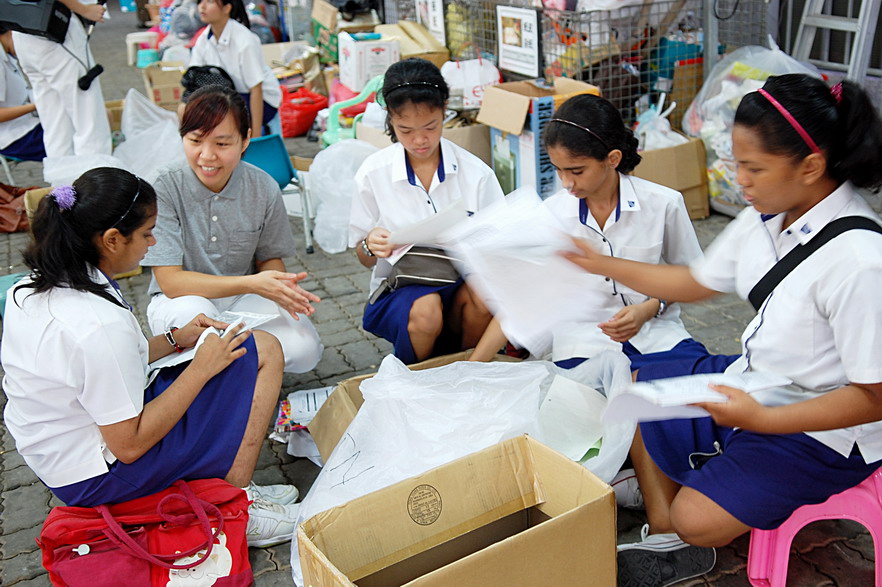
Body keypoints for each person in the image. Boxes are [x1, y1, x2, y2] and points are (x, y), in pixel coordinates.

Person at [564, 74, 882, 586]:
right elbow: (694, 280)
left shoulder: (862, 261)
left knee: (699, 519)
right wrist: (604, 263)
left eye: (753, 167)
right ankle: (665, 521)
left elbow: (873, 397)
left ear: (811, 166)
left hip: (824, 431)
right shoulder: (770, 214)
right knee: (638, 383)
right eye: (736, 163)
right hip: (758, 382)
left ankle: (681, 508)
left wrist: (763, 419)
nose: (739, 180)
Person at [1, 167, 302, 547]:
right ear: (112, 239)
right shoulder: (96, 324)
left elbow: (109, 362)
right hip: (97, 474)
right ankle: (233, 507)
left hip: (62, 450)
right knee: (256, 353)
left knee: (255, 347)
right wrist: (201, 368)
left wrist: (176, 339)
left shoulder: (33, 285)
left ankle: (231, 492)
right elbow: (129, 444)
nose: (152, 241)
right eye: (146, 233)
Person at [471, 93, 735, 381]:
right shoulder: (551, 215)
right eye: (558, 170)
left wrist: (648, 308)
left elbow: (690, 276)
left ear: (612, 159)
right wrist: (469, 370)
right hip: (583, 344)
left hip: (657, 337)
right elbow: (519, 304)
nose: (566, 183)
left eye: (577, 171)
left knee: (692, 390)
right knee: (597, 409)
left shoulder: (663, 204)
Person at [143, 86, 323, 374]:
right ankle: (233, 375)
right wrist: (254, 283)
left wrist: (279, 287)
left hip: (244, 299)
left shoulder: (263, 187)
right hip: (182, 300)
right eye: (195, 141)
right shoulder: (162, 186)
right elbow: (171, 282)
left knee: (305, 351)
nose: (207, 156)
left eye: (222, 144)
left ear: (245, 140)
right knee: (201, 330)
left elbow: (269, 259)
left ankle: (237, 370)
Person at [349, 58, 505, 364]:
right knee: (426, 309)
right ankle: (420, 372)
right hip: (405, 287)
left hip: (463, 282)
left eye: (430, 127)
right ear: (390, 120)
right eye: (405, 130)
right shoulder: (372, 174)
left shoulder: (476, 173)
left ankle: (464, 366)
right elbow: (363, 256)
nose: (419, 140)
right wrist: (371, 244)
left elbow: (499, 247)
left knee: (486, 296)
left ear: (445, 110)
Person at [11, 0, 112, 158]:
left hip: (24, 28)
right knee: (87, 118)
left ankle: (61, 179)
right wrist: (84, 9)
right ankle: (94, 177)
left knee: (54, 120)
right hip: (55, 29)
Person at [187, 0, 281, 137]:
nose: (202, 6)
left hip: (260, 101)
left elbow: (256, 90)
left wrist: (254, 136)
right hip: (231, 97)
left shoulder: (245, 40)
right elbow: (195, 78)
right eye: (201, 1)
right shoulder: (203, 40)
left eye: (210, 1)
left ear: (227, 8)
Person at [0, 24, 46, 161]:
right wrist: (36, 105)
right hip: (15, 137)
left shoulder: (6, 53)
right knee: (80, 135)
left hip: (28, 124)